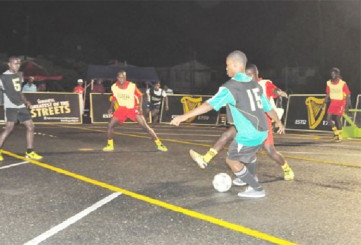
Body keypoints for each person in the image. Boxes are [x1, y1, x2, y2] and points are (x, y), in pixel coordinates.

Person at [171, 50, 285, 198]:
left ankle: (256, 188)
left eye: (228, 65)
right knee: (247, 155)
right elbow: (269, 109)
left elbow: (208, 105)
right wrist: (278, 122)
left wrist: (183, 116)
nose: (226, 69)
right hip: (263, 131)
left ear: (237, 65)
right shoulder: (255, 85)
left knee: (231, 160)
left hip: (249, 133)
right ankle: (251, 177)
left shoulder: (230, 87)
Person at [189, 64, 294, 182]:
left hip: (262, 124)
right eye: (245, 75)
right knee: (227, 135)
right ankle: (206, 159)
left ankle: (287, 169)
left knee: (270, 150)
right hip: (246, 121)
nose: (247, 77)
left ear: (256, 73)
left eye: (250, 75)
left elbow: (273, 89)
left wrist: (279, 92)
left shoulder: (264, 84)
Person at [0, 56, 43, 161]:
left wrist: (26, 101)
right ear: (9, 64)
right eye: (15, 63)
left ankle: (29, 151)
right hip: (10, 106)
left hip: (20, 105)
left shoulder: (19, 75)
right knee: (9, 129)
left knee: (31, 127)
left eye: (19, 63)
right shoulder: (3, 77)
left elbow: (19, 91)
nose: (17, 65)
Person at [103, 70, 168, 152]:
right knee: (110, 126)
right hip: (122, 109)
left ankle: (159, 144)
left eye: (123, 77)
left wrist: (140, 107)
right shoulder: (114, 87)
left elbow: (140, 96)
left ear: (126, 77)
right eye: (120, 77)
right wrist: (111, 107)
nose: (122, 79)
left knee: (145, 127)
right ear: (117, 78)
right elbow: (114, 98)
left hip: (133, 108)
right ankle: (110, 145)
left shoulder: (131, 86)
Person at [325, 67, 351, 142]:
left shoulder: (343, 83)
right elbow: (328, 92)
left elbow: (348, 94)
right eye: (331, 73)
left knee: (337, 119)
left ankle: (340, 136)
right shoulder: (329, 83)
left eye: (334, 73)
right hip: (333, 102)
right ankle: (336, 133)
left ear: (337, 74)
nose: (332, 74)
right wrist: (325, 100)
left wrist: (346, 107)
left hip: (341, 102)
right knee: (328, 118)